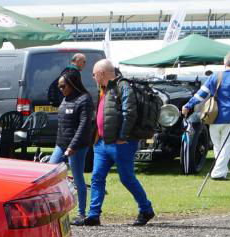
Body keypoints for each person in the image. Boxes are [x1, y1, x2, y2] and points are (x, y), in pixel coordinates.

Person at [84, 59, 154, 226]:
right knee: (97, 177)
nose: (93, 78)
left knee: (127, 178)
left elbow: (129, 112)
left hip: (121, 143)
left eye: (94, 75)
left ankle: (146, 209)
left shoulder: (123, 86)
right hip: (102, 143)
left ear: (101, 73)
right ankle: (93, 215)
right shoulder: (103, 89)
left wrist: (123, 136)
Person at [183, 52, 230, 181]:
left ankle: (222, 171)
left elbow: (201, 94)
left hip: (212, 117)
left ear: (224, 62)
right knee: (227, 146)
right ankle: (217, 173)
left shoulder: (215, 76)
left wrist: (188, 105)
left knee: (218, 146)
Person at [49, 67, 94, 223]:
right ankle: (56, 209)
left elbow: (84, 125)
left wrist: (72, 146)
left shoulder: (84, 99)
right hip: (61, 144)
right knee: (49, 172)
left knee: (77, 178)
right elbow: (51, 94)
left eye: (63, 86)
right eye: (59, 87)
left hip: (77, 146)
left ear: (73, 84)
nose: (61, 89)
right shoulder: (65, 98)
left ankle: (82, 213)